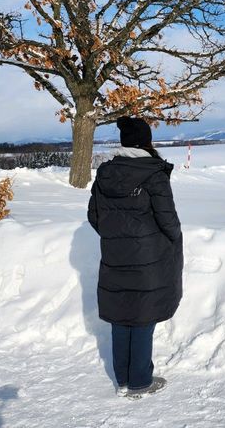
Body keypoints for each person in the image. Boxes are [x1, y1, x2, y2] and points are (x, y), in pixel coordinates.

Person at [87, 116, 183, 399]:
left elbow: (94, 217)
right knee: (142, 317)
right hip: (148, 257)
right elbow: (169, 222)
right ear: (146, 142)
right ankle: (140, 381)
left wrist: (117, 236)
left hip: (115, 255)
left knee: (121, 316)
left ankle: (123, 381)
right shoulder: (152, 173)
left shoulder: (106, 172)